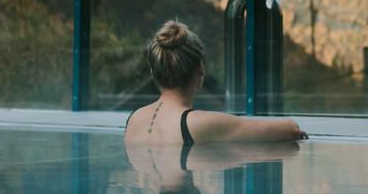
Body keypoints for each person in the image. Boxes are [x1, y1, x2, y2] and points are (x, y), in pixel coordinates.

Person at [124, 19, 306, 150]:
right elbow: (290, 130)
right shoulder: (197, 124)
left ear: (153, 74)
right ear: (200, 69)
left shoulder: (133, 120)